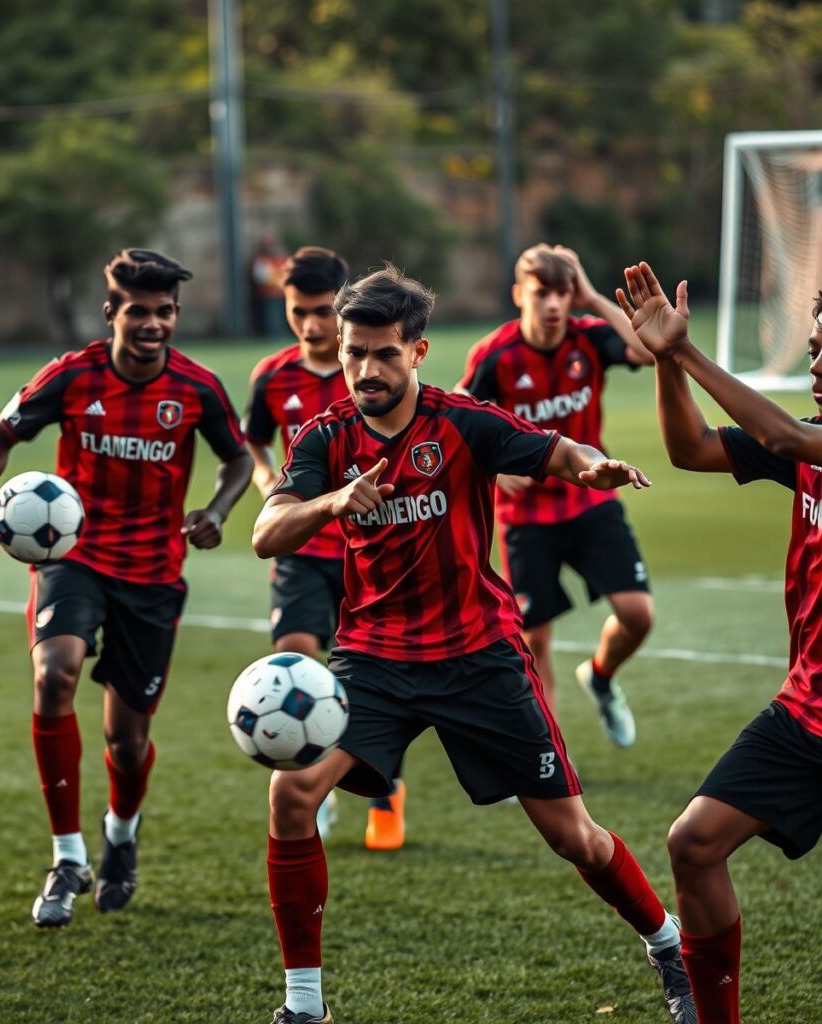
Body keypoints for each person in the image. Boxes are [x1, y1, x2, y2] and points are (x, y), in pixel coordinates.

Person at [251, 265, 694, 1024]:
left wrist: (596, 468)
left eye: (383, 354)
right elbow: (266, 533)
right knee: (292, 793)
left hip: (478, 655)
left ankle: (669, 948)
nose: (365, 369)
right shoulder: (326, 438)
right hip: (375, 661)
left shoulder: (462, 421)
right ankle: (304, 1005)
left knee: (576, 841)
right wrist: (331, 500)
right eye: (355, 353)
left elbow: (557, 451)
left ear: (417, 352)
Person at [0, 248, 253, 927]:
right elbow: (0, 435)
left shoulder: (196, 388)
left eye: (164, 313)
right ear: (112, 314)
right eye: (138, 312)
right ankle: (68, 856)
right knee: (54, 674)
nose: (152, 324)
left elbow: (238, 456)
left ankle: (120, 834)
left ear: (175, 316)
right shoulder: (71, 376)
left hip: (153, 574)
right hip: (76, 556)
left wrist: (215, 512)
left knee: (126, 739)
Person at [617, 260, 822, 1024]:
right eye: (813, 350)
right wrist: (668, 362)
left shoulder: (805, 442)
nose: (818, 365)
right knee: (694, 843)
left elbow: (779, 432)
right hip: (805, 713)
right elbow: (690, 448)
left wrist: (688, 353)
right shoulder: (812, 445)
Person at [457, 244, 655, 748]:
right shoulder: (495, 355)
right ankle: (552, 757)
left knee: (638, 615)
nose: (553, 304)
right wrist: (493, 470)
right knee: (535, 639)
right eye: (542, 292)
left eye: (563, 293)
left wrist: (591, 295)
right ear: (518, 294)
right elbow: (457, 420)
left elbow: (649, 349)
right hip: (526, 517)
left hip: (592, 501)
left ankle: (602, 676)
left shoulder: (588, 338)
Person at [244, 245, 406, 850]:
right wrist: (267, 482)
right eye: (297, 312)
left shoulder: (375, 375)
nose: (310, 325)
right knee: (294, 657)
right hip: (303, 549)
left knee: (378, 676)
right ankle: (317, 782)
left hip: (372, 549)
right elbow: (255, 441)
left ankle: (386, 795)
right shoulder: (272, 375)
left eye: (321, 312)